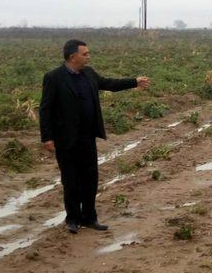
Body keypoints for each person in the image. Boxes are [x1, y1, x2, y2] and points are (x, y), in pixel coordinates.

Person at [39, 39, 150, 234]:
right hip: (66, 139)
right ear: (73, 56)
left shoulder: (89, 73)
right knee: (71, 180)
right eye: (85, 54)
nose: (88, 56)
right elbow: (45, 109)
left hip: (87, 137)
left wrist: (134, 82)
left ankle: (89, 218)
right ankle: (72, 219)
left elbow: (109, 84)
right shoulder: (54, 78)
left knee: (90, 178)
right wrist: (47, 138)